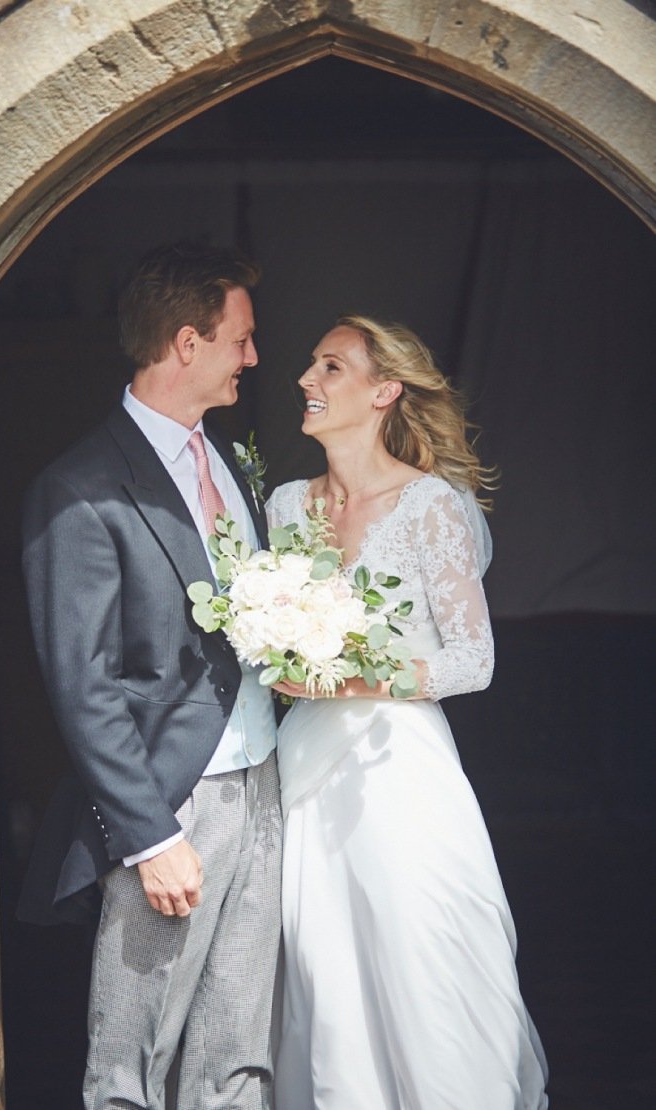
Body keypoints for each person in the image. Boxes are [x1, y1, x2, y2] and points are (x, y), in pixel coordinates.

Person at [18, 242, 282, 1109]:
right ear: (186, 343)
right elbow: (80, 683)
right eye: (239, 339)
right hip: (170, 802)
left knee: (238, 1052)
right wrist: (150, 834)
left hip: (260, 776)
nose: (252, 356)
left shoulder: (235, 459)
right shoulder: (81, 488)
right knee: (130, 1064)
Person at [267, 315, 548, 1109]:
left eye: (331, 367)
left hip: (399, 770)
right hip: (304, 770)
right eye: (311, 365)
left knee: (421, 962)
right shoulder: (289, 506)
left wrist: (350, 682)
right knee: (324, 973)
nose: (306, 380)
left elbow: (473, 660)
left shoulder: (429, 507)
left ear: (385, 392)